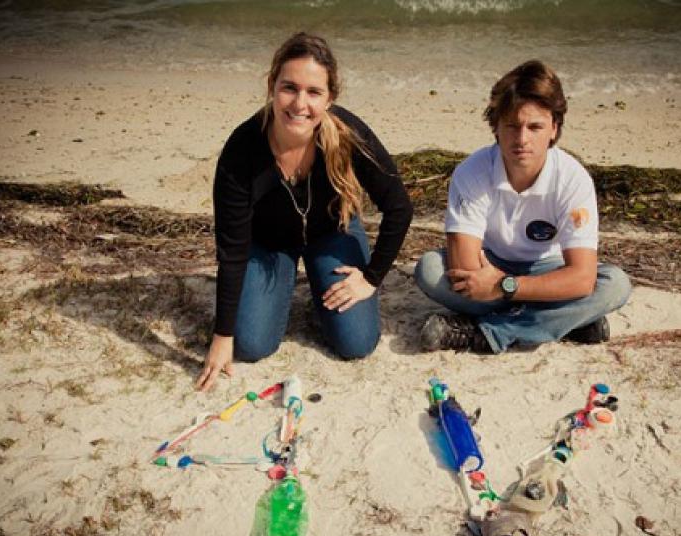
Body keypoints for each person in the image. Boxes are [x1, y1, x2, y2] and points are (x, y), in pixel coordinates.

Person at [197, 32, 412, 391]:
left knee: (356, 343)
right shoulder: (243, 148)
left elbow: (399, 207)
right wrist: (222, 335)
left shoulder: (348, 134)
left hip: (332, 233)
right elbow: (231, 249)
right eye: (289, 88)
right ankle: (290, 282)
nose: (300, 103)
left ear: (330, 98)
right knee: (250, 345)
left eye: (314, 92)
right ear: (271, 86)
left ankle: (320, 286)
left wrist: (371, 278)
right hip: (268, 245)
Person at [414, 60, 630, 353]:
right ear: (496, 127)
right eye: (512, 126)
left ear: (554, 128)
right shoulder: (472, 171)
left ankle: (488, 333)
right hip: (490, 262)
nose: (522, 139)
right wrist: (517, 287)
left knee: (615, 285)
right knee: (430, 270)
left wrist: (507, 286)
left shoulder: (572, 178)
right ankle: (564, 321)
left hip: (547, 267)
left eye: (535, 127)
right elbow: (465, 266)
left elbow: (581, 277)